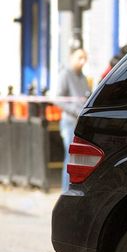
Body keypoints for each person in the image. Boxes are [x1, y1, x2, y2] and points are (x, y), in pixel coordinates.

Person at [50, 48, 89, 191]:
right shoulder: (65, 74)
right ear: (72, 57)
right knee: (70, 157)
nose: (83, 61)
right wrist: (74, 110)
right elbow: (57, 99)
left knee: (78, 159)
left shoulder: (82, 77)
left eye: (85, 58)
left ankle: (74, 189)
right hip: (69, 122)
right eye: (80, 58)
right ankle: (66, 190)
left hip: (80, 123)